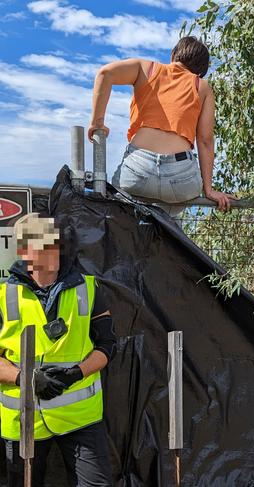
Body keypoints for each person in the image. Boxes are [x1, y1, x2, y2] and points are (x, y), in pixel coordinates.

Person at [0, 213, 116, 486]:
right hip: (23, 418)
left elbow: (108, 345)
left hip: (80, 419)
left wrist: (76, 373)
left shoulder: (88, 288)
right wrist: (25, 378)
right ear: (24, 250)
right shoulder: (4, 296)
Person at [89, 36, 235, 217]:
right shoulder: (202, 87)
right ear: (200, 70)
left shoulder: (146, 69)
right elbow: (205, 140)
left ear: (173, 54)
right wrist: (209, 190)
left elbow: (105, 73)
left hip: (138, 169)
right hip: (180, 177)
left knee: (124, 215)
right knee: (169, 218)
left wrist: (97, 123)